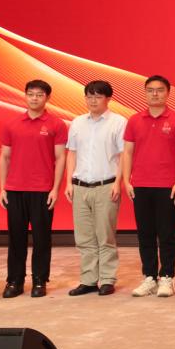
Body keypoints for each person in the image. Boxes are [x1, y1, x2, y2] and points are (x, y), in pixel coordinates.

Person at [122, 75, 175, 298]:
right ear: (145, 93)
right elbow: (127, 152)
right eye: (150, 90)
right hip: (140, 185)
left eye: (160, 90)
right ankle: (149, 277)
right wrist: (126, 180)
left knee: (167, 233)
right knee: (145, 234)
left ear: (168, 93)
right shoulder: (134, 120)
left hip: (166, 185)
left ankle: (167, 277)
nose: (155, 94)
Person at [0, 80, 67, 298]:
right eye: (31, 94)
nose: (34, 98)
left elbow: (60, 158)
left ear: (47, 98)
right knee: (16, 238)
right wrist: (2, 188)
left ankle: (39, 281)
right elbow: (5, 157)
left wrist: (55, 189)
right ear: (25, 96)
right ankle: (14, 281)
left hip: (42, 190)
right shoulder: (12, 124)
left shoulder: (56, 124)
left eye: (39, 95)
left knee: (42, 238)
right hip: (15, 189)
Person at [63, 80, 128, 297]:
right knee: (84, 237)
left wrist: (118, 183)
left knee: (105, 235)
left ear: (108, 99)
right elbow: (72, 153)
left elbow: (124, 155)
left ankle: (107, 279)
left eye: (98, 96)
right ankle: (88, 280)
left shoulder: (118, 122)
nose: (93, 101)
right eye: (89, 96)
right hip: (80, 186)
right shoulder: (77, 122)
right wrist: (69, 182)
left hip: (106, 185)